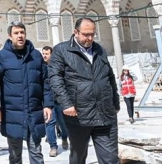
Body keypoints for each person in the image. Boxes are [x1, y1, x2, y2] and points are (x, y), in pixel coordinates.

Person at [47, 18, 119, 164]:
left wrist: (115, 102)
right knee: (78, 156)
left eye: (92, 34)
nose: (90, 38)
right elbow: (55, 78)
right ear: (75, 32)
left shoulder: (99, 50)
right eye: (86, 34)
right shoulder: (62, 50)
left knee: (110, 159)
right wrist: (66, 103)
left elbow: (109, 77)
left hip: (105, 113)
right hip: (79, 115)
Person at [0, 21, 53, 164]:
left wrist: (48, 105)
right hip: (12, 114)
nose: (20, 36)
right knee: (15, 156)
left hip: (34, 113)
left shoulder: (36, 56)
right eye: (16, 33)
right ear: (9, 36)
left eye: (22, 32)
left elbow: (45, 82)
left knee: (36, 154)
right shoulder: (1, 57)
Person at [41, 46, 69, 156]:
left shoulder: (58, 67)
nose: (44, 55)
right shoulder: (41, 68)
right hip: (48, 101)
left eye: (47, 53)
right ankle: (53, 146)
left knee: (63, 122)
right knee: (49, 123)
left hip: (59, 100)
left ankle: (65, 137)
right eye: (43, 53)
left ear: (52, 54)